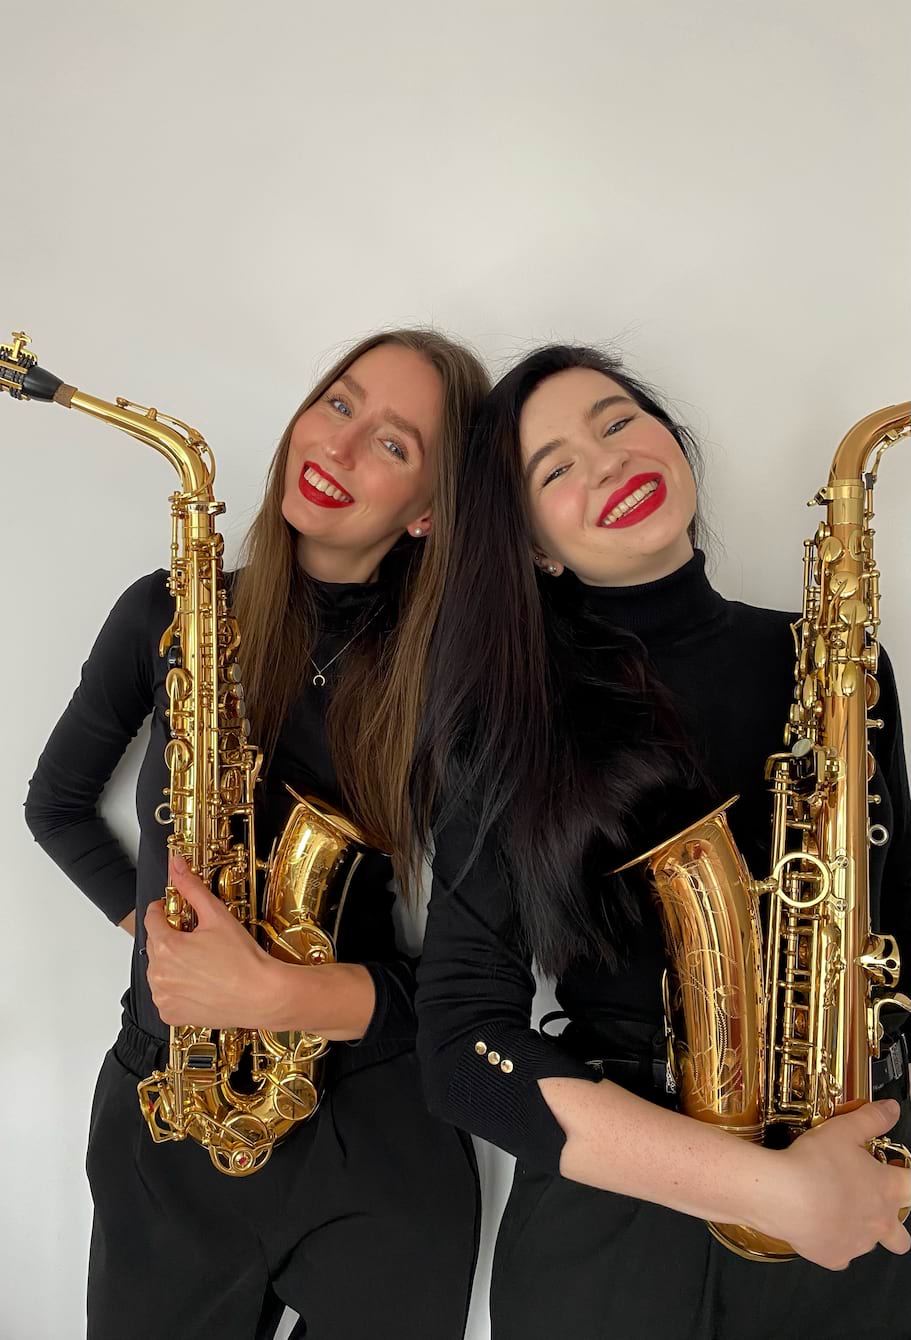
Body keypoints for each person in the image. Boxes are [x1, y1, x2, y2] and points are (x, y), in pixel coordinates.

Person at [412, 344, 911, 1340]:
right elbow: (461, 1051)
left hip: (857, 1182)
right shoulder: (508, 720)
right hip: (623, 1234)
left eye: (616, 421)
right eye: (553, 467)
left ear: (672, 442)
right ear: (533, 546)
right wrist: (768, 1187)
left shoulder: (836, 657)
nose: (604, 460)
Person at [25, 329, 490, 1340]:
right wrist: (165, 945)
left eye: (395, 443)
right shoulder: (165, 614)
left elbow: (472, 983)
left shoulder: (455, 681)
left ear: (428, 511)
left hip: (374, 1123)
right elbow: (54, 806)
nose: (341, 445)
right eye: (338, 402)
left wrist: (272, 992)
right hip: (171, 1098)